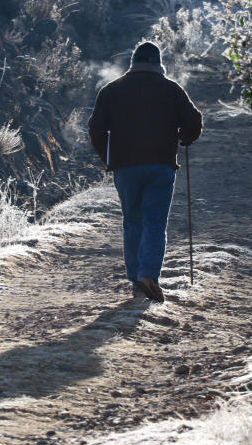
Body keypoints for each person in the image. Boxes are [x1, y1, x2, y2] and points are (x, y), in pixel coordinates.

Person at [87, 41, 203, 303]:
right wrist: (186, 137)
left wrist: (109, 157)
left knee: (132, 222)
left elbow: (95, 129)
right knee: (155, 221)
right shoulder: (171, 89)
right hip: (161, 165)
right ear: (158, 64)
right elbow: (193, 120)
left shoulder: (112, 90)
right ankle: (148, 275)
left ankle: (137, 284)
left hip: (125, 167)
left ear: (133, 64)